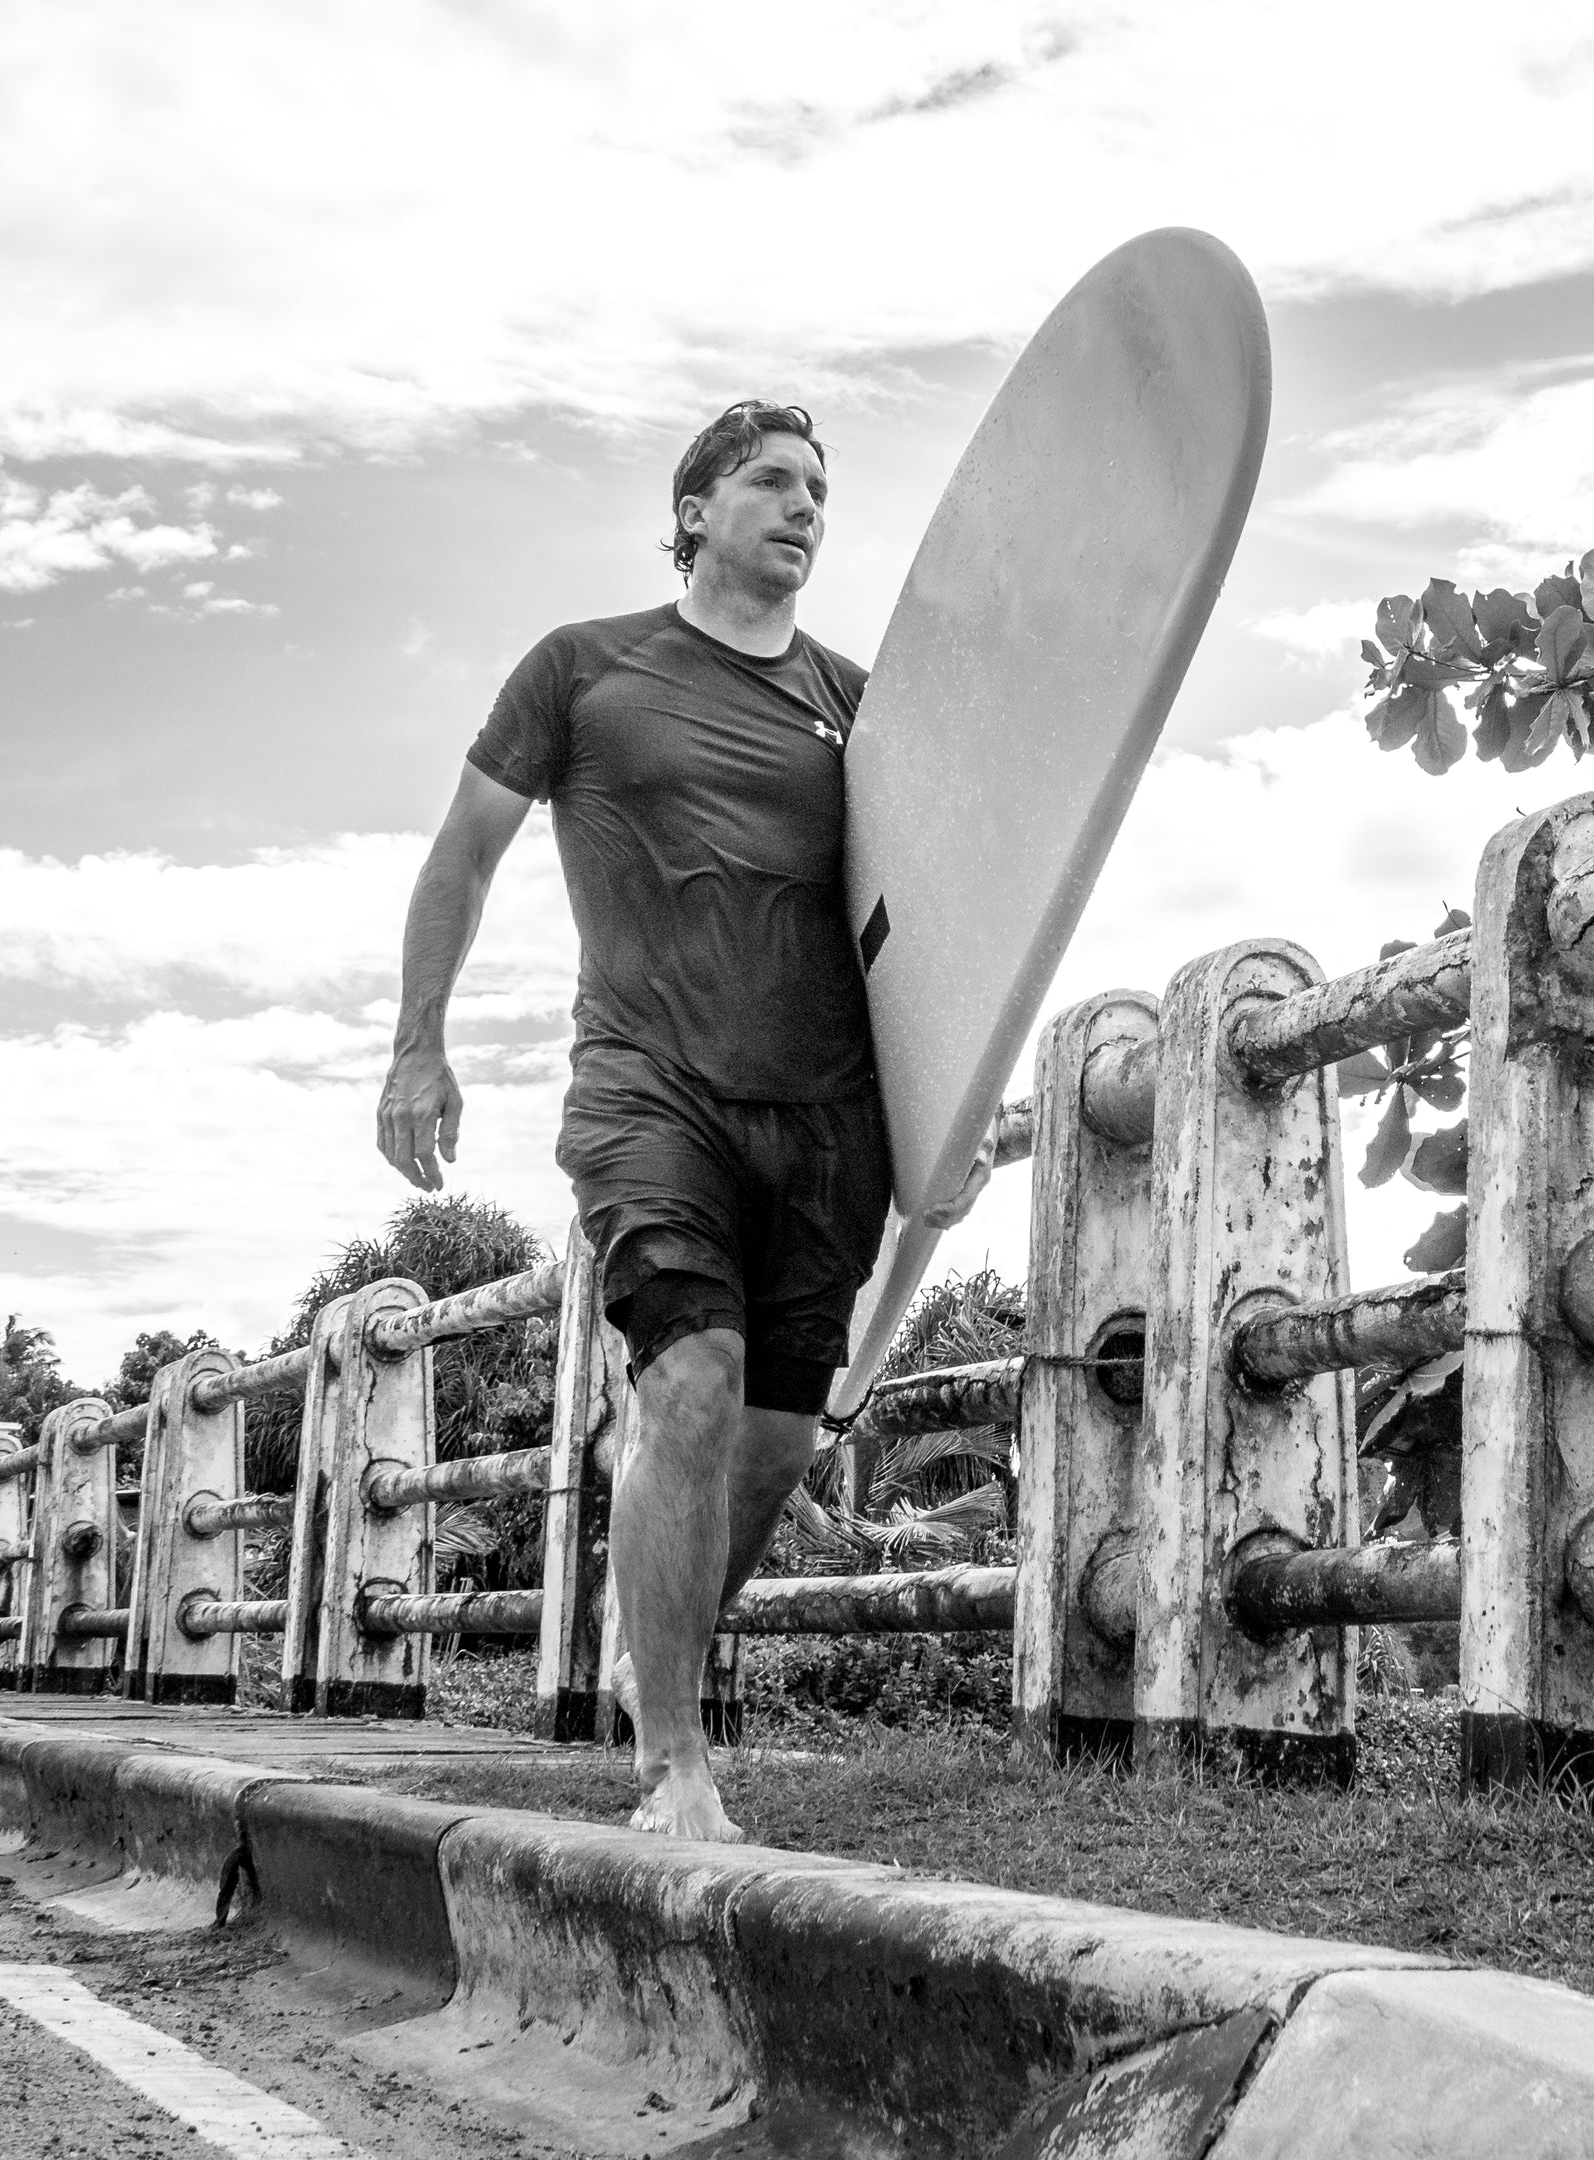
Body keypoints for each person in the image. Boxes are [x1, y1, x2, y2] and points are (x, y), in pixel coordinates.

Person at [375, 401, 973, 1841]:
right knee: (689, 1375)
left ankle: (656, 1621)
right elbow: (463, 851)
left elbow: (935, 918)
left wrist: (950, 1105)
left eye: (820, 488)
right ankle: (677, 1763)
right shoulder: (585, 671)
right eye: (772, 480)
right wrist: (418, 1046)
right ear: (695, 508)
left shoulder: (859, 704)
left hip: (828, 1116)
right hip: (651, 1087)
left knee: (768, 1448)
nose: (805, 505)